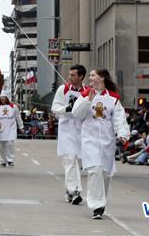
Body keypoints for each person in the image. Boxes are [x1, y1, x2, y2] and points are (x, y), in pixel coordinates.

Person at [72, 68, 130, 220]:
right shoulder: (85, 95)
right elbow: (76, 114)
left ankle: (101, 201)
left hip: (107, 141)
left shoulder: (114, 98)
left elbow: (119, 119)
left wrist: (123, 134)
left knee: (105, 173)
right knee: (94, 170)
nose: (89, 78)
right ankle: (96, 206)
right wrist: (87, 100)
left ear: (102, 77)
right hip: (89, 140)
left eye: (92, 75)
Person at [51, 64, 87, 205]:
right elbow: (55, 108)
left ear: (81, 77)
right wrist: (67, 108)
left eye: (73, 75)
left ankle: (69, 190)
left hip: (82, 131)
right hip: (66, 130)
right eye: (69, 74)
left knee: (76, 162)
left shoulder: (88, 92)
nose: (69, 77)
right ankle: (76, 190)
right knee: (69, 159)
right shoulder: (63, 89)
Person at [0, 93, 24, 167]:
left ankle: (10, 160)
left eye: (4, 98)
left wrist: (21, 127)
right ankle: (3, 160)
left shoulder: (14, 107)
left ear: (7, 98)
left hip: (11, 128)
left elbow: (18, 117)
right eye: (1, 98)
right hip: (1, 128)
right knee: (2, 145)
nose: (2, 99)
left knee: (10, 143)